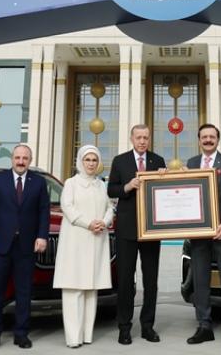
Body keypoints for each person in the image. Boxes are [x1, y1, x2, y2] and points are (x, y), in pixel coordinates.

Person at [0, 143, 50, 350]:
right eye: (17, 158)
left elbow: (44, 211)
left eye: (25, 158)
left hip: (26, 246)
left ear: (30, 160)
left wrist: (42, 236)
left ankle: (21, 333)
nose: (21, 161)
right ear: (12, 159)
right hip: (0, 245)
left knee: (24, 292)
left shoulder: (38, 182)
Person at [106, 124, 167, 345]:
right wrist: (127, 186)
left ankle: (148, 326)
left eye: (145, 137)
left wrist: (165, 177)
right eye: (138, 137)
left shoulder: (158, 161)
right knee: (125, 280)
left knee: (151, 281)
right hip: (127, 229)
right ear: (131, 138)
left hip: (151, 229)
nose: (142, 141)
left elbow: (165, 192)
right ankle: (124, 327)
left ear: (149, 139)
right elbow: (111, 189)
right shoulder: (120, 161)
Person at [185, 123, 221, 346]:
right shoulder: (191, 163)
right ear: (199, 140)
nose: (208, 140)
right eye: (204, 137)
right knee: (200, 280)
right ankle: (204, 325)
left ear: (218, 139)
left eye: (212, 136)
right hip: (199, 234)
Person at [54, 144, 115, 348]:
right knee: (74, 289)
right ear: (81, 161)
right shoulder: (71, 183)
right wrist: (88, 223)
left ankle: (87, 335)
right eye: (87, 159)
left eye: (94, 160)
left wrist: (104, 222)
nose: (91, 163)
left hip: (96, 241)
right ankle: (73, 337)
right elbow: (67, 207)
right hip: (76, 242)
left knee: (91, 289)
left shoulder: (101, 185)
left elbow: (109, 207)